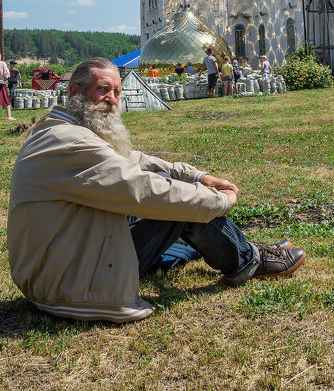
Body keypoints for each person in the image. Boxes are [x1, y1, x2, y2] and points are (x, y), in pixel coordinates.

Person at [7, 57, 305, 323]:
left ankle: (231, 245)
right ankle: (248, 261)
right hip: (69, 283)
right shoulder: (69, 143)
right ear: (75, 92)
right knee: (179, 205)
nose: (112, 100)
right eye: (103, 89)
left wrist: (198, 176)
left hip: (60, 265)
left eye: (117, 93)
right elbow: (144, 190)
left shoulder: (65, 132)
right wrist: (217, 201)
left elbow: (132, 160)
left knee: (183, 211)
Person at [0, 55, 15, 121]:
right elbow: (6, 74)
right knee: (6, 100)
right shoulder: (2, 63)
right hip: (1, 84)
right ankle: (9, 116)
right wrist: (5, 79)